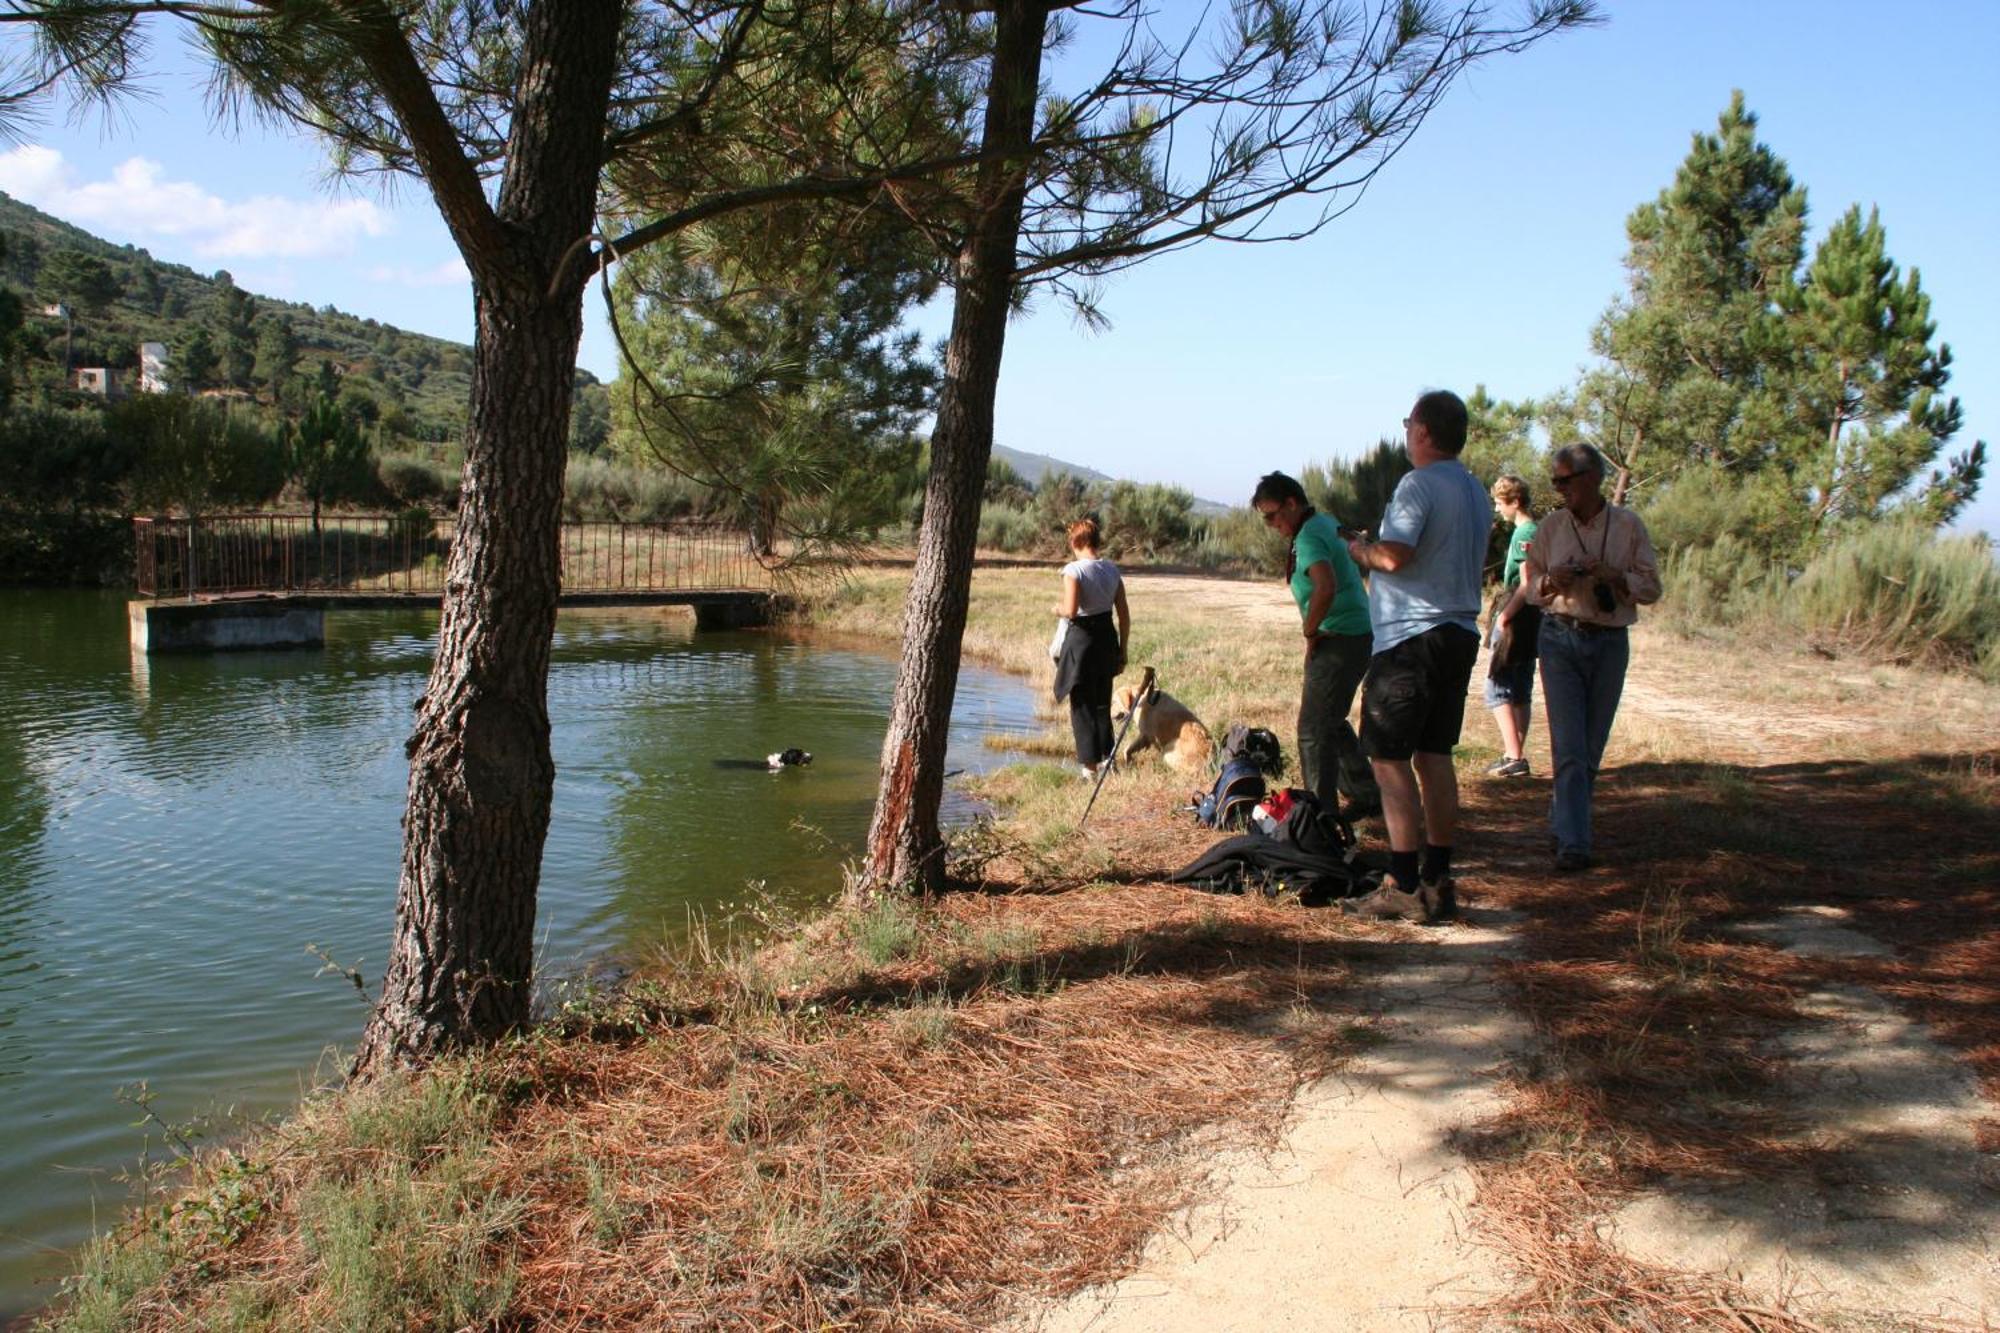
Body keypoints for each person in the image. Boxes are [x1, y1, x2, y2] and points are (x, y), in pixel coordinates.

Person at [1342, 390, 1493, 922]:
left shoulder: (1418, 484)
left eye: (1409, 424)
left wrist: (1357, 548)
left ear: (1424, 432)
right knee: (1434, 757)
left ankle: (1403, 884)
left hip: (1411, 640)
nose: (1406, 433)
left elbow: (1394, 555)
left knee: (1387, 761)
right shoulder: (1476, 491)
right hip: (1457, 634)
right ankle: (1438, 879)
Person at [1523, 444, 1661, 871]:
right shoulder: (1550, 527)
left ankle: (1565, 818)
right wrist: (1552, 580)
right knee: (1569, 746)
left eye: (1564, 479)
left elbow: (1653, 588)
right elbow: (1530, 591)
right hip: (1559, 639)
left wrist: (1615, 577)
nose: (1558, 488)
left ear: (1591, 478)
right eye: (1555, 480)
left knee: (1590, 748)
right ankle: (1574, 843)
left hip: (1609, 643)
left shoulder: (1628, 526)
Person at [1250, 471, 1381, 818]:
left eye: (1272, 515)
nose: (1270, 524)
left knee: (1312, 731)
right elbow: (1348, 542)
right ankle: (1367, 793)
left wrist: (1310, 631)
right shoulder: (1323, 522)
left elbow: (1325, 586)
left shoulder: (1308, 536)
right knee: (1332, 721)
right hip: (1358, 633)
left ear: (1292, 503)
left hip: (1339, 638)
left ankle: (1318, 819)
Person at [1050, 517, 1130, 778]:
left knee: (1081, 705)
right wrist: (1123, 649)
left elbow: (1071, 611)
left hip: (1082, 642)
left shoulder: (1074, 570)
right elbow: (1124, 615)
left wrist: (1056, 609)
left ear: (1077, 541)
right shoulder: (1112, 570)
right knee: (1101, 703)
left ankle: (1089, 769)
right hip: (1107, 639)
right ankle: (1108, 757)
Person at [1483, 474, 1540, 778]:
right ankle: (1514, 752)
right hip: (1533, 616)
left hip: (1518, 613)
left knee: (1497, 685)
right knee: (1520, 687)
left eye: (1498, 502)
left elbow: (1527, 582)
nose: (1496, 509)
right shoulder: (1535, 530)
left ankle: (1514, 755)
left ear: (1515, 502)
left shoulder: (1524, 534)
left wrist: (1505, 616)